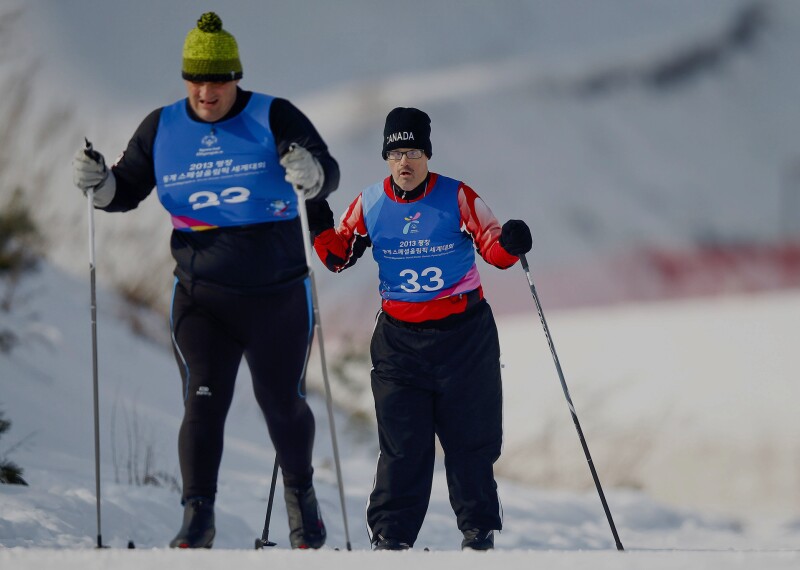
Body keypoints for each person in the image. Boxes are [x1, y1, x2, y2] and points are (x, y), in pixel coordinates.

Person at [71, 12, 338, 550]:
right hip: (201, 299)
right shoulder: (162, 127)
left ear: (236, 76)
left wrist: (312, 175)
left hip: (279, 297)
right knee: (203, 399)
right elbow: (126, 188)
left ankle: (303, 507)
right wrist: (99, 186)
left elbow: (325, 169)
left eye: (218, 79)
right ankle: (198, 517)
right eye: (196, 79)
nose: (206, 91)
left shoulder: (273, 115)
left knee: (281, 402)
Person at [308, 107, 532, 551]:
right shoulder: (370, 202)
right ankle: (390, 538)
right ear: (387, 158)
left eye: (412, 151)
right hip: (400, 343)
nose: (404, 162)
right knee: (403, 447)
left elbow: (492, 247)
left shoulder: (457, 196)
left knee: (470, 443)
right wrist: (315, 211)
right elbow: (338, 256)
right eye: (395, 153)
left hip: (464, 337)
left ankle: (477, 534)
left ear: (427, 154)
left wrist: (510, 241)